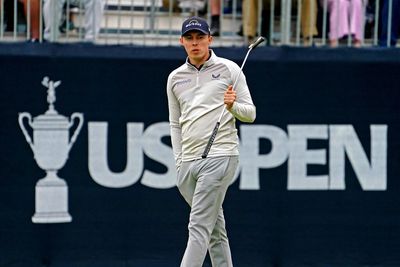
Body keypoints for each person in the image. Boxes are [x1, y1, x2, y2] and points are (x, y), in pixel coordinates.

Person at [166, 16, 256, 267]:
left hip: (221, 155)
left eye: (200, 37)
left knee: (198, 227)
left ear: (209, 39)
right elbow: (175, 123)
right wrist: (179, 161)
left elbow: (250, 113)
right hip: (188, 163)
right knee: (215, 230)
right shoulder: (174, 78)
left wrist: (232, 106)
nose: (195, 43)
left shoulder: (229, 69)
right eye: (190, 38)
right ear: (182, 42)